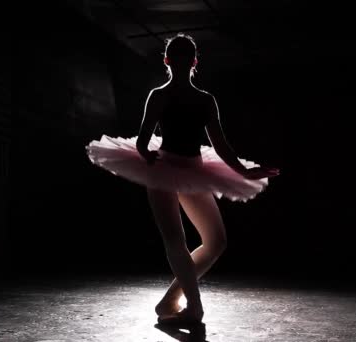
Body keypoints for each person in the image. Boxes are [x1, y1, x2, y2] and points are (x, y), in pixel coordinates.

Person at [85, 33, 280, 325]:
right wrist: (147, 156)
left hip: (192, 169)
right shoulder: (162, 95)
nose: (178, 62)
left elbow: (218, 145)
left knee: (215, 242)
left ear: (178, 61)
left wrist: (242, 170)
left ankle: (173, 298)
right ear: (193, 62)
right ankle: (195, 307)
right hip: (164, 168)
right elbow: (144, 140)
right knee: (178, 239)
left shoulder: (202, 100)